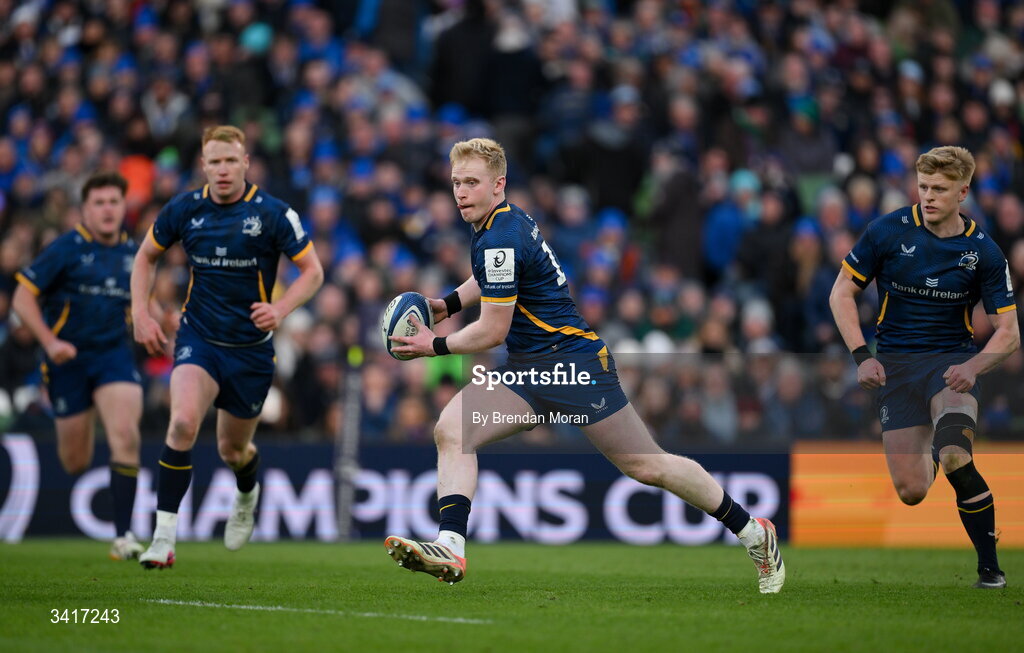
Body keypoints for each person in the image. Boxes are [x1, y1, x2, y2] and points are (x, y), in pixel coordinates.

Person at [386, 138, 785, 593]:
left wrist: (431, 345)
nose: (460, 192)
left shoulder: (501, 232)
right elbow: (490, 276)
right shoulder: (497, 224)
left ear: (499, 185)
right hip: (526, 372)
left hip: (573, 367)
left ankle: (754, 530)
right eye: (456, 182)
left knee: (648, 466)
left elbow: (492, 331)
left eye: (471, 182)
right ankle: (451, 543)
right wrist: (447, 303)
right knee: (452, 429)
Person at [131, 125, 323, 568]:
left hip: (251, 350)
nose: (222, 170)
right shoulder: (185, 208)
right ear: (203, 165)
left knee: (231, 451)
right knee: (181, 424)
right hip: (198, 337)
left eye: (230, 161)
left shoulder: (273, 213)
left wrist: (281, 310)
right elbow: (145, 257)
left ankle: (246, 493)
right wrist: (140, 312)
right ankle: (162, 539)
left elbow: (312, 272)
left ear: (245, 163)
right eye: (214, 162)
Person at [830, 145, 1018, 589]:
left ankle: (990, 569)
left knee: (955, 455)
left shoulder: (983, 252)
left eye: (940, 189)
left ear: (963, 193)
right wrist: (861, 355)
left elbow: (1009, 333)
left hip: (949, 366)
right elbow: (841, 292)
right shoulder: (887, 231)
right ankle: (934, 446)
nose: (928, 196)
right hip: (895, 368)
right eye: (923, 186)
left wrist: (974, 367)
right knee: (911, 492)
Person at [12, 171, 145, 561]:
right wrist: (50, 342)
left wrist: (157, 321)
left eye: (114, 202)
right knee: (75, 461)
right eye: (99, 203)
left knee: (125, 435)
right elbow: (22, 298)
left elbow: (141, 305)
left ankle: (124, 537)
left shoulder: (134, 253)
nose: (107, 210)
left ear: (124, 207)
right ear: (84, 210)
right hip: (68, 360)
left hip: (113, 357)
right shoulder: (66, 248)